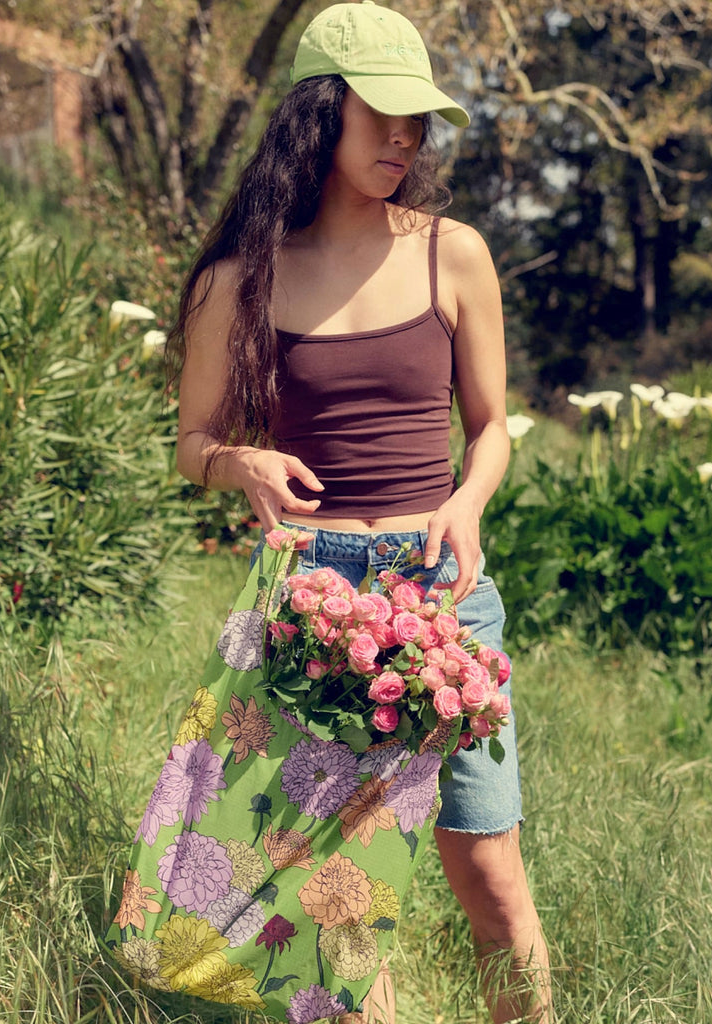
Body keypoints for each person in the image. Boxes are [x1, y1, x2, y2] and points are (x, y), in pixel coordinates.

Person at [168, 3, 552, 1021]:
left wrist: (468, 501)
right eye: (383, 115)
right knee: (341, 899)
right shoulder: (238, 279)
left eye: (419, 120)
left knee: (491, 877)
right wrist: (236, 460)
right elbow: (192, 445)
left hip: (442, 594)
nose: (406, 139)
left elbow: (493, 425)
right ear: (317, 114)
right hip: (319, 602)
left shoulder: (453, 254)